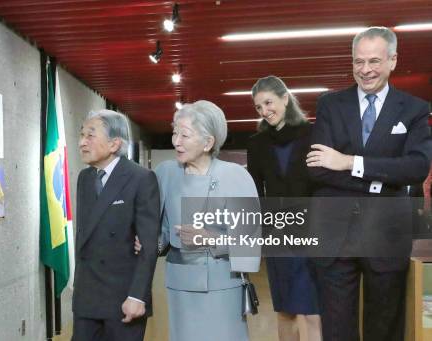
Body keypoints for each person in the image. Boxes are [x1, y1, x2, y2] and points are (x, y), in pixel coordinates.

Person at [306, 26, 431, 341]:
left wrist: (349, 162)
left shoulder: (415, 110)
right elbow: (319, 169)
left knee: (385, 327)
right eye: (358, 61)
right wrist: (384, 180)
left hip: (387, 233)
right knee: (336, 329)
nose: (365, 70)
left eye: (374, 61)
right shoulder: (329, 105)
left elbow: (417, 167)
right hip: (335, 234)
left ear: (393, 61)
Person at [155, 100, 260, 341]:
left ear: (208, 142)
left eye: (185, 135)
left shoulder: (235, 176)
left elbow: (251, 243)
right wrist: (150, 244)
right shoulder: (165, 173)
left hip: (223, 285)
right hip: (179, 284)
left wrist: (210, 238)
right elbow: (162, 232)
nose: (176, 141)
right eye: (174, 133)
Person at [72, 109, 161, 341]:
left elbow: (149, 245)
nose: (82, 142)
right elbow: (85, 236)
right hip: (87, 297)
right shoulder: (85, 178)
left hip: (123, 297)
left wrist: (138, 296)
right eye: (81, 135)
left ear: (114, 144)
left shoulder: (141, 178)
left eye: (90, 135)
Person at [247, 76, 321, 341]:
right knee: (285, 312)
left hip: (313, 235)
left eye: (268, 102)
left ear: (285, 98)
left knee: (313, 312)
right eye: (258, 107)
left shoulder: (314, 134)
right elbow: (254, 192)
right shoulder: (257, 144)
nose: (265, 111)